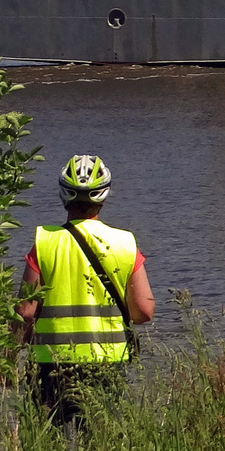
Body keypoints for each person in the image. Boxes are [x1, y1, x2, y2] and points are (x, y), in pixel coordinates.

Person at [16, 154, 155, 423]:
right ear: (103, 197)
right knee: (99, 444)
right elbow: (144, 312)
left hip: (51, 364)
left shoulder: (45, 241)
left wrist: (8, 357)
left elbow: (25, 311)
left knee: (49, 445)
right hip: (106, 363)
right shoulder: (125, 243)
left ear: (63, 195)